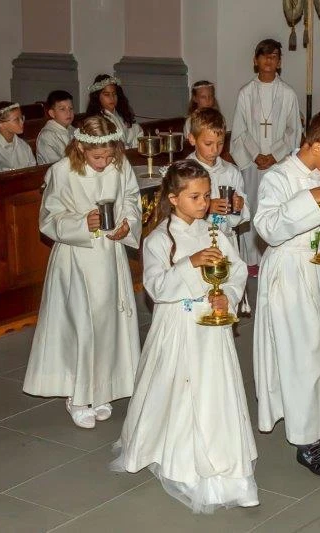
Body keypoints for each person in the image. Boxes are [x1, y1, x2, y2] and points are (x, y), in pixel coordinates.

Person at [111, 160, 258, 514]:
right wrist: (190, 264)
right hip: (178, 326)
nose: (204, 203)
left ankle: (226, 466)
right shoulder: (159, 239)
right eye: (195, 197)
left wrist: (227, 296)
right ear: (174, 198)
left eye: (207, 195)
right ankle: (179, 458)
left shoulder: (215, 232)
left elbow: (236, 271)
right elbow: (157, 288)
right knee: (177, 389)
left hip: (211, 328)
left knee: (214, 391)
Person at [253, 109, 320, 476]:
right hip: (289, 272)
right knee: (303, 356)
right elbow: (268, 227)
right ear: (315, 146)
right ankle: (306, 440)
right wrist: (309, 200)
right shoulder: (278, 177)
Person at [23, 116, 142, 429]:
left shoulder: (119, 166)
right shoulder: (62, 172)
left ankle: (101, 390)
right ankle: (77, 396)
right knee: (81, 327)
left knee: (107, 325)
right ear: (80, 148)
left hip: (109, 256)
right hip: (76, 258)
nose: (104, 163)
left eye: (109, 156)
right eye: (97, 157)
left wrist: (127, 224)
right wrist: (80, 223)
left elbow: (131, 198)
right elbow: (49, 218)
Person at [230, 38, 302, 274]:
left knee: (276, 208)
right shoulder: (246, 93)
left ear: (279, 62)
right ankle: (251, 259)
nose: (269, 60)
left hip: (278, 164)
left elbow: (293, 130)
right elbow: (239, 130)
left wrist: (274, 155)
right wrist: (256, 155)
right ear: (255, 60)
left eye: (274, 56)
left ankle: (275, 257)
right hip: (253, 164)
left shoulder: (288, 94)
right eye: (264, 55)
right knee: (251, 207)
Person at [186, 108, 249, 253]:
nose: (215, 150)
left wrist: (238, 207)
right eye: (208, 144)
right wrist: (207, 207)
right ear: (192, 139)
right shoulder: (185, 172)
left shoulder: (231, 172)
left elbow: (240, 216)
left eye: (220, 143)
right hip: (196, 244)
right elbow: (178, 211)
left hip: (225, 241)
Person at [0, 102, 36, 175]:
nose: (22, 122)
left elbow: (33, 171)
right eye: (16, 119)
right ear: (1, 124)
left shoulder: (23, 145)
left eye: (22, 118)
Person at [85, 74, 142, 149]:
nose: (112, 98)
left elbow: (137, 132)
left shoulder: (122, 114)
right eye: (107, 94)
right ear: (97, 97)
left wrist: (134, 148)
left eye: (114, 94)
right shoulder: (96, 120)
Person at [36, 90, 75, 165]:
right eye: (62, 109)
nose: (68, 112)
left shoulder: (74, 130)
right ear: (52, 113)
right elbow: (54, 165)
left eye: (71, 108)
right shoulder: (47, 136)